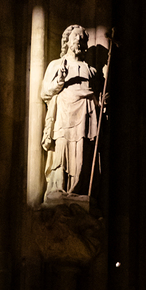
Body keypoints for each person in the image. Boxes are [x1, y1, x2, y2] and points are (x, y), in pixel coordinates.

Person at [41, 24, 102, 201]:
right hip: (64, 111)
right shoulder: (56, 65)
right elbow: (45, 92)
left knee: (82, 150)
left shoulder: (91, 70)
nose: (79, 40)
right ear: (66, 40)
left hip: (85, 112)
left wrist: (101, 103)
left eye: (83, 38)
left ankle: (78, 189)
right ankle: (57, 188)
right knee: (62, 147)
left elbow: (95, 97)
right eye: (76, 36)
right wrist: (59, 81)